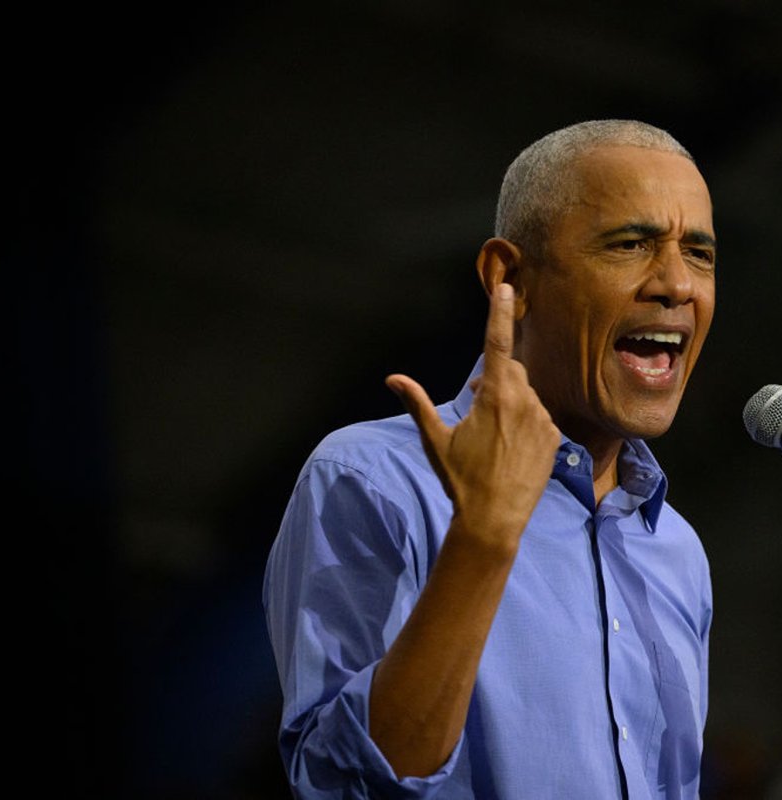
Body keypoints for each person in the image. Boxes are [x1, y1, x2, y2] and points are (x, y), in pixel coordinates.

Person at [262, 119, 718, 799]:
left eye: (700, 254)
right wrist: (482, 536)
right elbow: (341, 787)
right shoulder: (373, 478)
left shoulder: (678, 550)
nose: (677, 284)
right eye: (631, 244)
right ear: (510, 278)